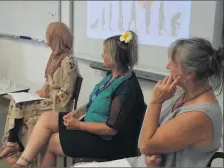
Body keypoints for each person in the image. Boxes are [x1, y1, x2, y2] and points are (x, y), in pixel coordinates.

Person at [79, 37, 224, 167]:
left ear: (189, 74)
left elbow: (145, 145)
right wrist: (150, 155)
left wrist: (155, 102)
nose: (167, 67)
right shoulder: (180, 92)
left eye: (172, 63)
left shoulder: (200, 115)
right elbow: (150, 139)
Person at [12, 30, 147, 168]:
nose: (102, 55)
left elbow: (111, 129)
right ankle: (22, 163)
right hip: (90, 123)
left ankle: (22, 164)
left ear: (115, 56)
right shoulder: (111, 75)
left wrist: (79, 125)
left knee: (51, 142)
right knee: (46, 118)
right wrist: (76, 114)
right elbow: (94, 101)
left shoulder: (127, 87)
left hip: (109, 141)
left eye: (105, 52)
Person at [0, 22, 80, 165]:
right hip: (50, 100)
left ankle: (16, 148)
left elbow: (66, 95)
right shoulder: (55, 57)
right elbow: (50, 81)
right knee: (16, 102)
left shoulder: (68, 61)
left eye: (48, 34)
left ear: (55, 37)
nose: (46, 36)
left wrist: (48, 95)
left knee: (21, 109)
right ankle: (13, 145)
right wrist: (44, 89)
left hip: (58, 105)